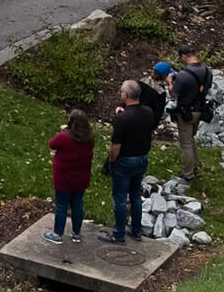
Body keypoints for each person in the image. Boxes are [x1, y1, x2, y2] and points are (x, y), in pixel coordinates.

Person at [98, 80, 156, 244]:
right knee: (135, 195)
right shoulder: (148, 112)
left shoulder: (122, 119)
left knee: (120, 198)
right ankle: (136, 231)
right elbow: (136, 121)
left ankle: (118, 234)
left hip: (125, 160)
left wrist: (111, 161)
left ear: (125, 95)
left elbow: (115, 146)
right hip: (142, 158)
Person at [44, 109, 94, 243]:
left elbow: (52, 144)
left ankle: (57, 234)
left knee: (61, 205)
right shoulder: (89, 139)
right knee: (77, 204)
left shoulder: (64, 137)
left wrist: (63, 131)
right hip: (81, 179)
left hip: (64, 179)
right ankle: (76, 233)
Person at [167, 44, 212, 182]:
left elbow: (174, 93)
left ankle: (188, 174)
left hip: (186, 112)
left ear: (184, 56)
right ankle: (195, 166)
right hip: (200, 110)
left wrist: (169, 82)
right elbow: (206, 87)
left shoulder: (183, 75)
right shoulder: (207, 70)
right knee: (191, 139)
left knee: (185, 144)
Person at [139, 62, 171, 130]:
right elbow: (158, 113)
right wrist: (153, 126)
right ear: (165, 75)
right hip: (146, 121)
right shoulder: (161, 92)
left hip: (133, 114)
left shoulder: (141, 81)